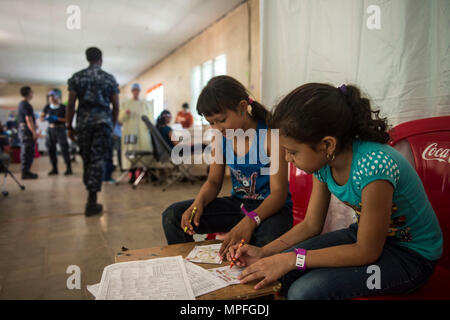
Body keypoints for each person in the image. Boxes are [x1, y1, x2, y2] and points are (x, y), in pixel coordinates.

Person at [228, 83, 443, 300]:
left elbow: (367, 251)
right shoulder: (323, 164)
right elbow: (312, 224)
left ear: (327, 144)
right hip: (364, 236)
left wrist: (293, 258)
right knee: (282, 274)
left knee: (303, 292)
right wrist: (265, 252)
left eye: (292, 152)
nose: (286, 159)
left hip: (411, 257)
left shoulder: (374, 168)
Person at [161, 75, 293, 259]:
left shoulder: (270, 136)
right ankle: (188, 269)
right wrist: (197, 203)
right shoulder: (221, 138)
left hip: (271, 210)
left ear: (241, 107)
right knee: (173, 216)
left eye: (221, 120)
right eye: (211, 123)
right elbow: (214, 182)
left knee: (263, 245)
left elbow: (279, 194)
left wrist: (250, 221)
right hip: (238, 206)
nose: (217, 127)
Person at [67, 47, 120, 216]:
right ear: (101, 58)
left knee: (87, 158)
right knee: (98, 159)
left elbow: (71, 104)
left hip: (83, 124)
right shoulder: (109, 79)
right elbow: (116, 105)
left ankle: (90, 195)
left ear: (87, 58)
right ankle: (92, 199)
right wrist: (110, 124)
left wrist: (69, 126)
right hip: (102, 124)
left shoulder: (78, 77)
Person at [118, 83, 154, 184]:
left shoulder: (145, 104)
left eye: (137, 90)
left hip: (143, 133)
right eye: (134, 90)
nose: (136, 92)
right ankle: (132, 175)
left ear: (139, 91)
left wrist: (151, 127)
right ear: (132, 91)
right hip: (130, 133)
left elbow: (151, 118)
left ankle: (143, 175)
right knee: (131, 153)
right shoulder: (126, 104)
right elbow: (120, 118)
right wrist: (125, 113)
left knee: (144, 153)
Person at [40, 89, 72, 175]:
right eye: (50, 97)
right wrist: (45, 118)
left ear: (58, 97)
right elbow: (41, 118)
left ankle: (69, 168)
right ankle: (54, 168)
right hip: (50, 130)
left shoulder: (63, 107)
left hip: (60, 129)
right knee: (51, 149)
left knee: (64, 149)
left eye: (53, 96)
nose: (51, 98)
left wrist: (57, 118)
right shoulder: (47, 107)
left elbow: (67, 119)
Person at [17, 86, 39, 179]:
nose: (32, 93)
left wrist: (34, 126)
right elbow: (28, 119)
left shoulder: (22, 104)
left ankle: (26, 171)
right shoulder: (25, 104)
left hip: (24, 129)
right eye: (31, 92)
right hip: (26, 130)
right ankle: (25, 173)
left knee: (28, 151)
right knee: (27, 151)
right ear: (28, 93)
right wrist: (34, 132)